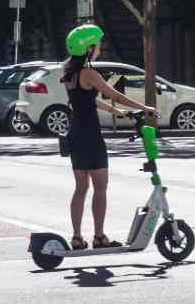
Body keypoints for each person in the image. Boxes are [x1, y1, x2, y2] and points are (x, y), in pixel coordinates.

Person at [62, 24, 159, 250]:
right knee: (100, 187)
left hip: (75, 133)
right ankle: (99, 237)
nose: (99, 49)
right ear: (88, 48)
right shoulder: (90, 73)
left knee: (80, 188)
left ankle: (76, 238)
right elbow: (113, 94)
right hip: (90, 134)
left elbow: (88, 100)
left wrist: (118, 113)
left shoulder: (69, 72)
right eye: (97, 45)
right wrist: (145, 107)